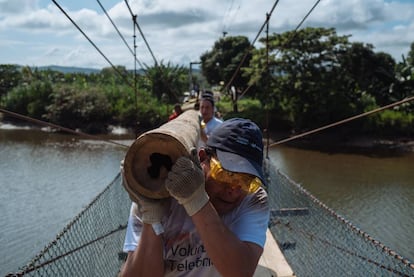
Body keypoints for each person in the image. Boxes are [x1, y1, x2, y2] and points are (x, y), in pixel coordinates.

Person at [120, 118, 270, 276]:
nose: (233, 190)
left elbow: (240, 272)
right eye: (226, 175)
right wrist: (151, 217)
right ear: (202, 158)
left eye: (246, 181)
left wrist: (195, 200)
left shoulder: (254, 198)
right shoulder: (158, 190)